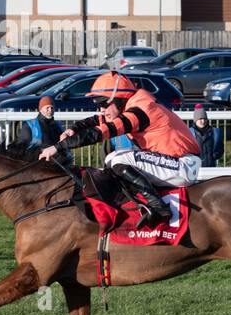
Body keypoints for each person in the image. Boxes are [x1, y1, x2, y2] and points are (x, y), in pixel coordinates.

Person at [38, 72, 200, 227]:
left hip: (183, 165)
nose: (101, 109)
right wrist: (74, 128)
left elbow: (101, 132)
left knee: (117, 158)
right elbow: (98, 120)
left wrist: (57, 147)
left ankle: (158, 207)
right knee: (113, 159)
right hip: (175, 162)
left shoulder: (141, 110)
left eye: (103, 103)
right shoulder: (132, 105)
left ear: (119, 99)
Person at [16, 95, 73, 167]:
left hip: (59, 163)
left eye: (52, 108)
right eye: (47, 108)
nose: (50, 110)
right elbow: (21, 147)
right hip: (38, 165)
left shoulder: (57, 125)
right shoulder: (30, 125)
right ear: (40, 109)